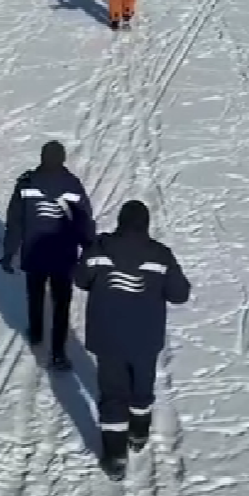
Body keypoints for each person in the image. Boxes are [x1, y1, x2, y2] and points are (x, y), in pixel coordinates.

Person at [73, 199, 191, 479]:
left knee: (113, 394)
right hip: (145, 338)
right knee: (141, 388)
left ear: (120, 222)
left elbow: (80, 279)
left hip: (107, 337)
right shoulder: (160, 255)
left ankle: (115, 458)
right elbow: (179, 294)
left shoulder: (99, 249)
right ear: (146, 224)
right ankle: (138, 435)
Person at [0, 140, 94, 371]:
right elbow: (84, 222)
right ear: (62, 159)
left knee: (35, 294)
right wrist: (90, 251)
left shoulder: (27, 184)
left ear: (42, 157)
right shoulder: (72, 185)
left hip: (34, 252)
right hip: (64, 255)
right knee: (61, 304)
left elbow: (15, 222)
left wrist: (9, 252)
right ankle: (59, 354)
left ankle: (36, 333)